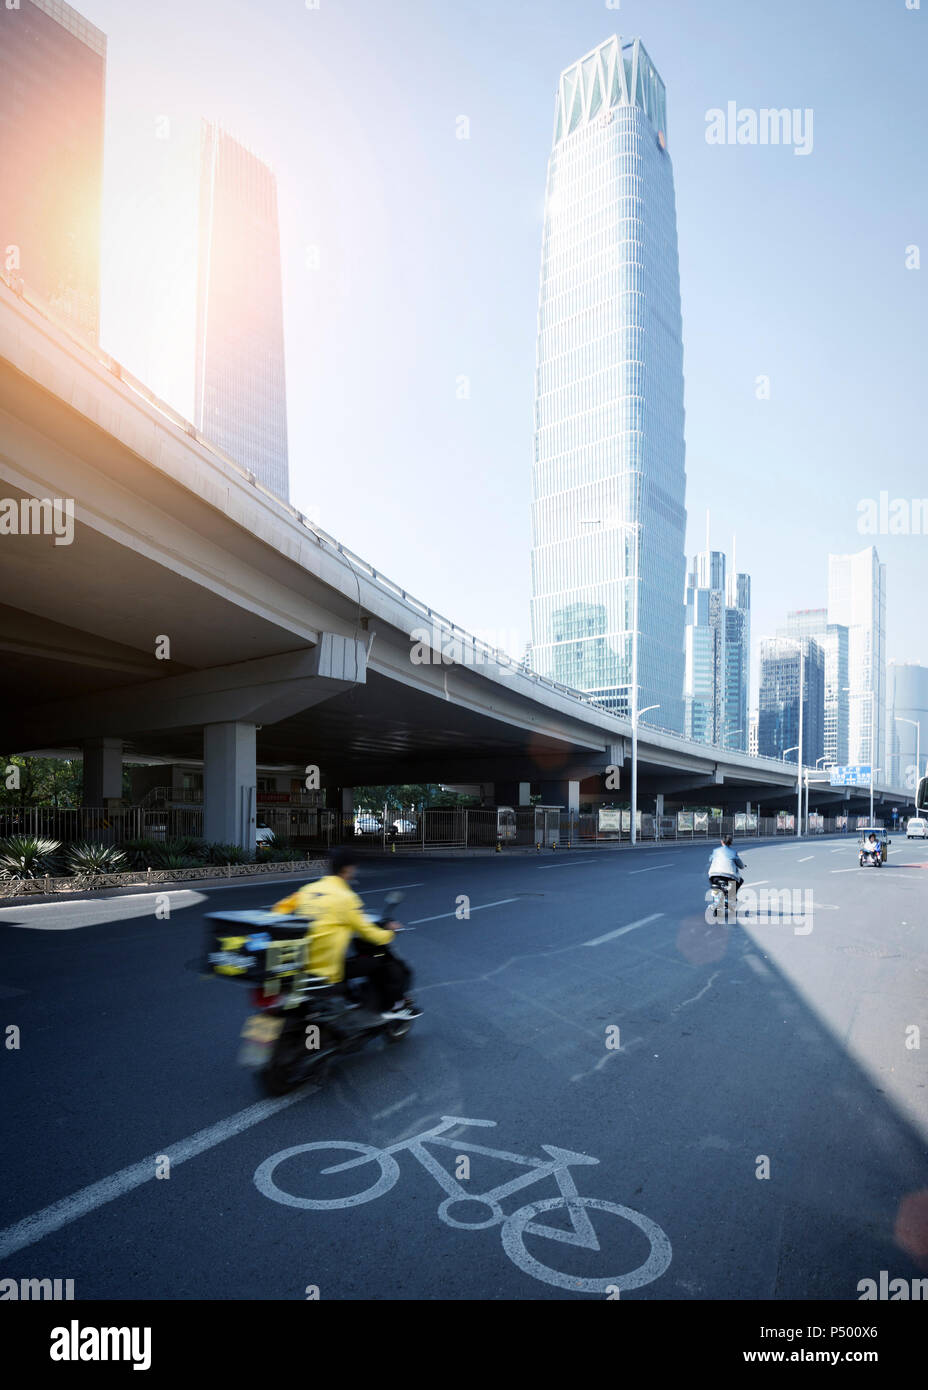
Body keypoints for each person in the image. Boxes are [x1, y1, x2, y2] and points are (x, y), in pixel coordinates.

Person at [270, 847, 420, 1019]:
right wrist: (390, 933)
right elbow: (370, 934)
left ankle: (352, 999)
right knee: (381, 960)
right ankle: (395, 1007)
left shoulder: (306, 890)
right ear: (347, 869)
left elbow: (278, 910)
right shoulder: (346, 897)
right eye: (353, 867)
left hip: (300, 963)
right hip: (327, 969)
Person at [707, 834, 745, 899]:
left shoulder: (715, 851)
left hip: (714, 875)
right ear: (731, 843)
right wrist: (743, 866)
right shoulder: (733, 853)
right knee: (740, 881)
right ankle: (731, 895)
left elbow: (710, 859)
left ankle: (715, 894)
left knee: (714, 885)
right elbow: (741, 866)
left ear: (721, 841)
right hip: (729, 877)